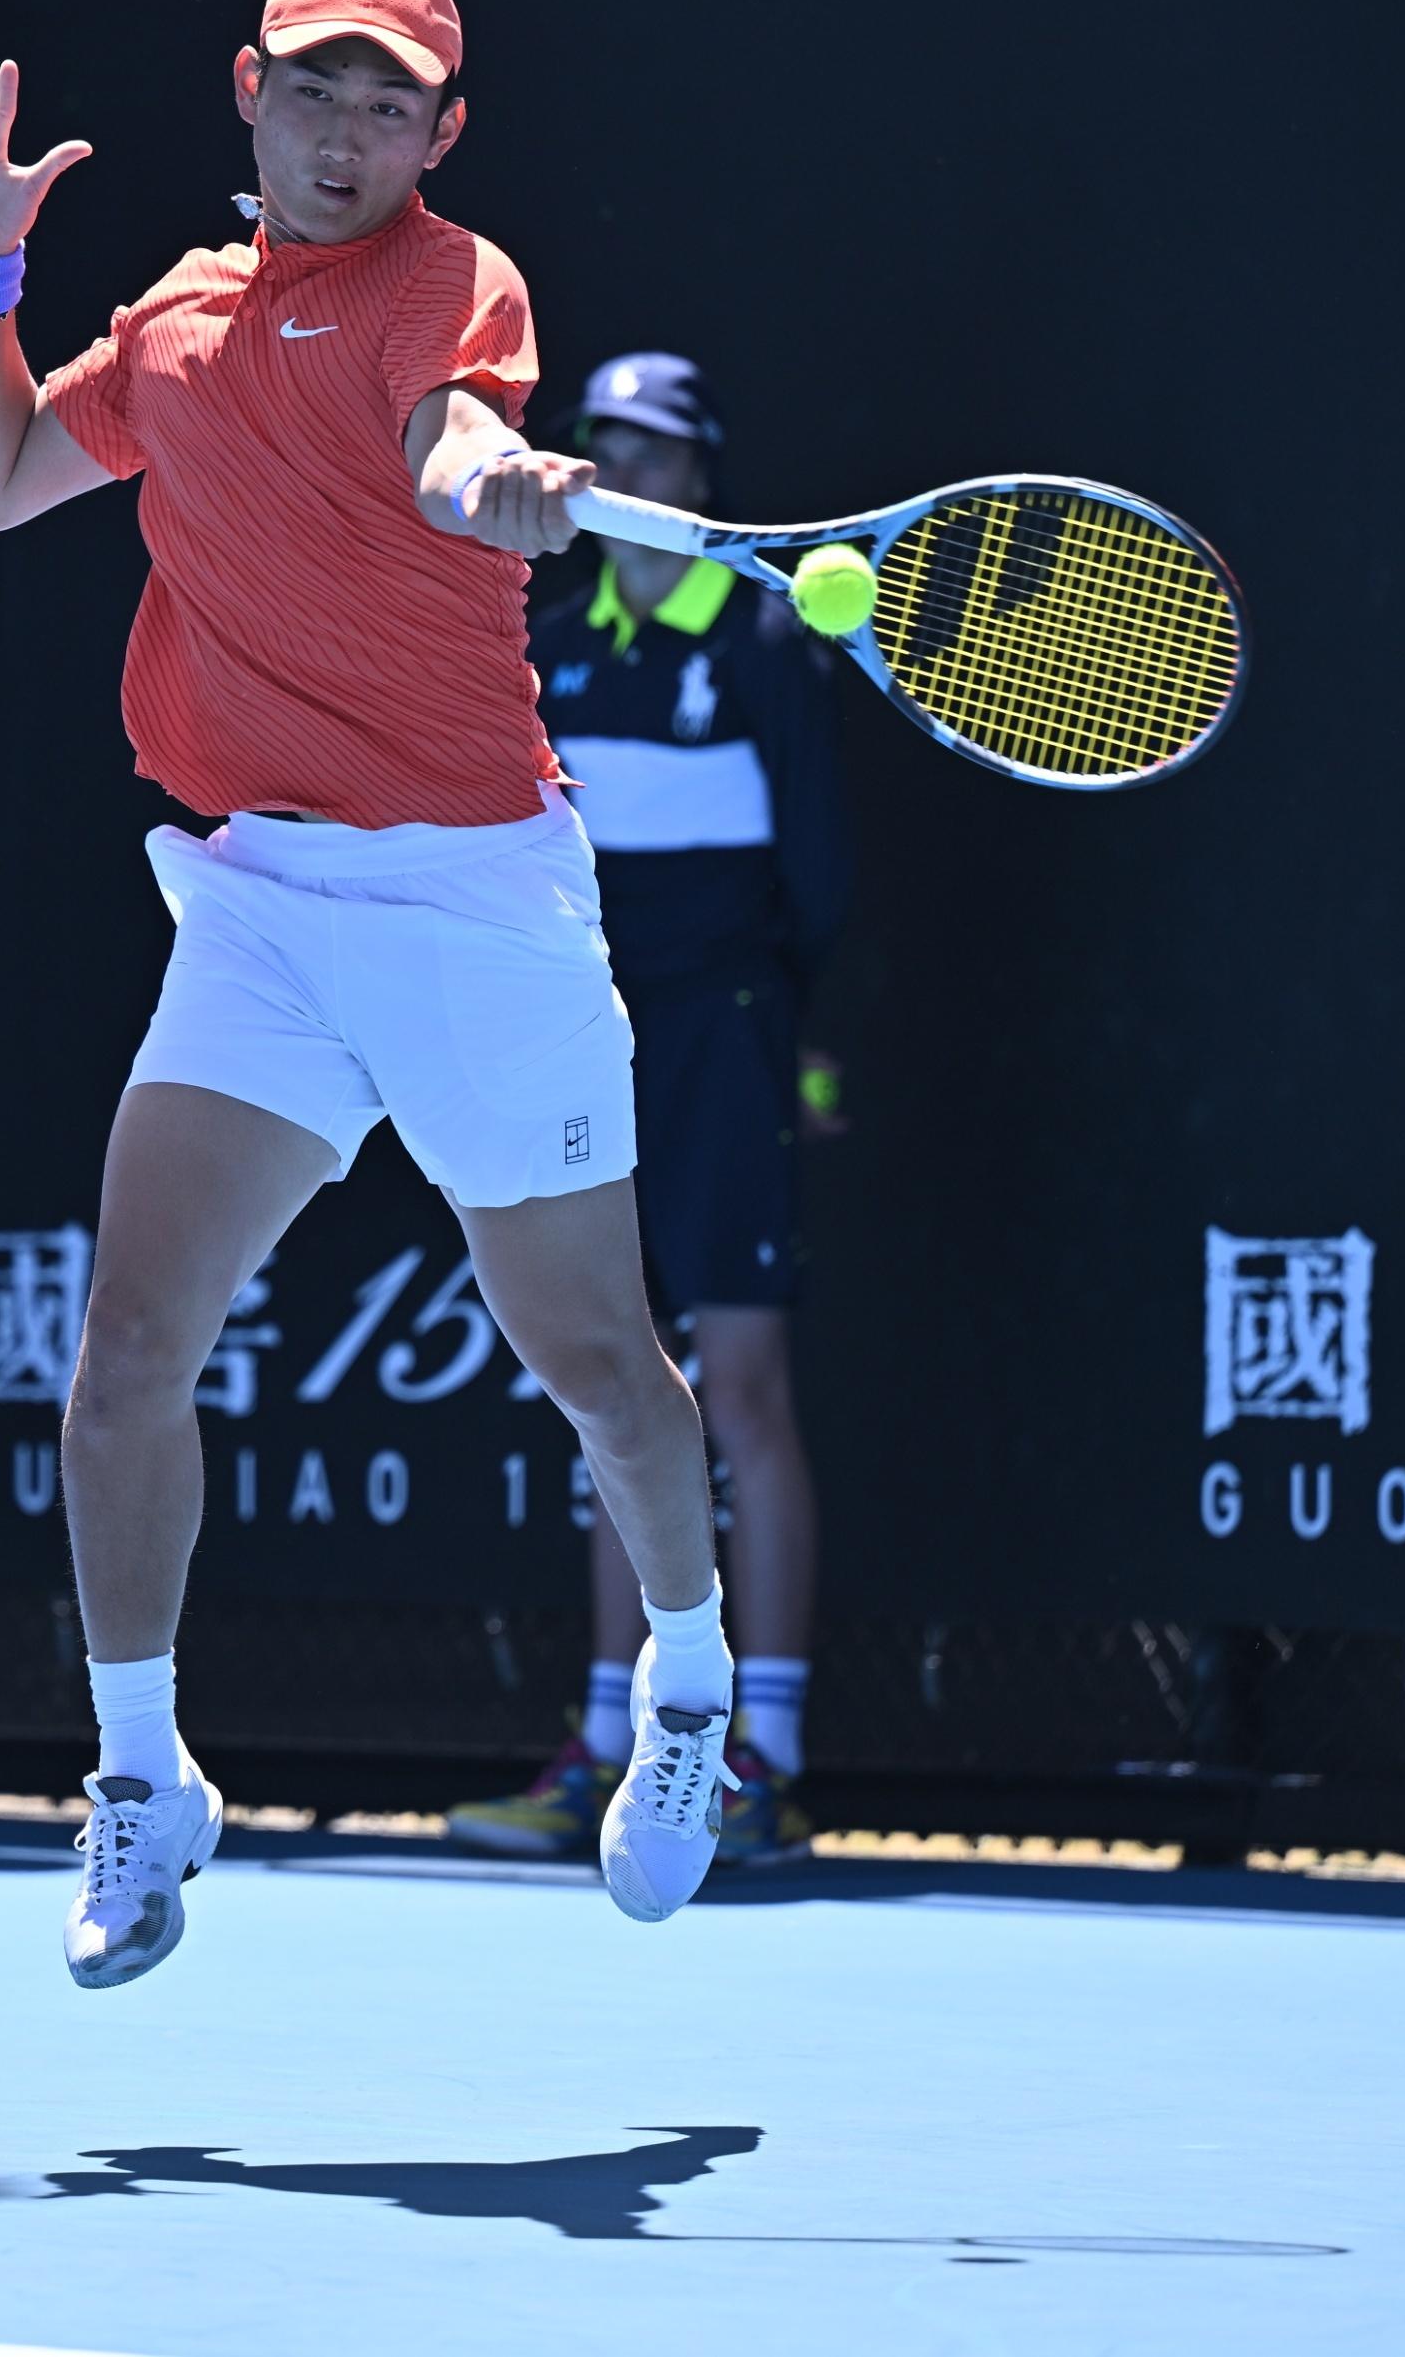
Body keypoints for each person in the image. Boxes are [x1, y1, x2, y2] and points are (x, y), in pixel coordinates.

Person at [0, 0, 740, 1988]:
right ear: (247, 93)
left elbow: (447, 446)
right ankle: (138, 1779)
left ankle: (692, 1688)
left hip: (477, 902)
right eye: (314, 91)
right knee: (125, 1347)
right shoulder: (177, 319)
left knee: (601, 1369)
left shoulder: (455, 286)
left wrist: (496, 484)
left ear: (441, 132)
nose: (346, 133)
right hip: (267, 898)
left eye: (389, 104)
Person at [446, 353, 851, 1871]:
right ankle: (610, 1750)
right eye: (601, 452)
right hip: (585, 1047)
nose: (624, 479)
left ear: (700, 480)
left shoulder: (764, 642)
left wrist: (812, 1053)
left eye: (656, 455)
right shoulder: (544, 647)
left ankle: (766, 1758)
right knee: (614, 1386)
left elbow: (822, 873)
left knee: (740, 1394)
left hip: (729, 1051)